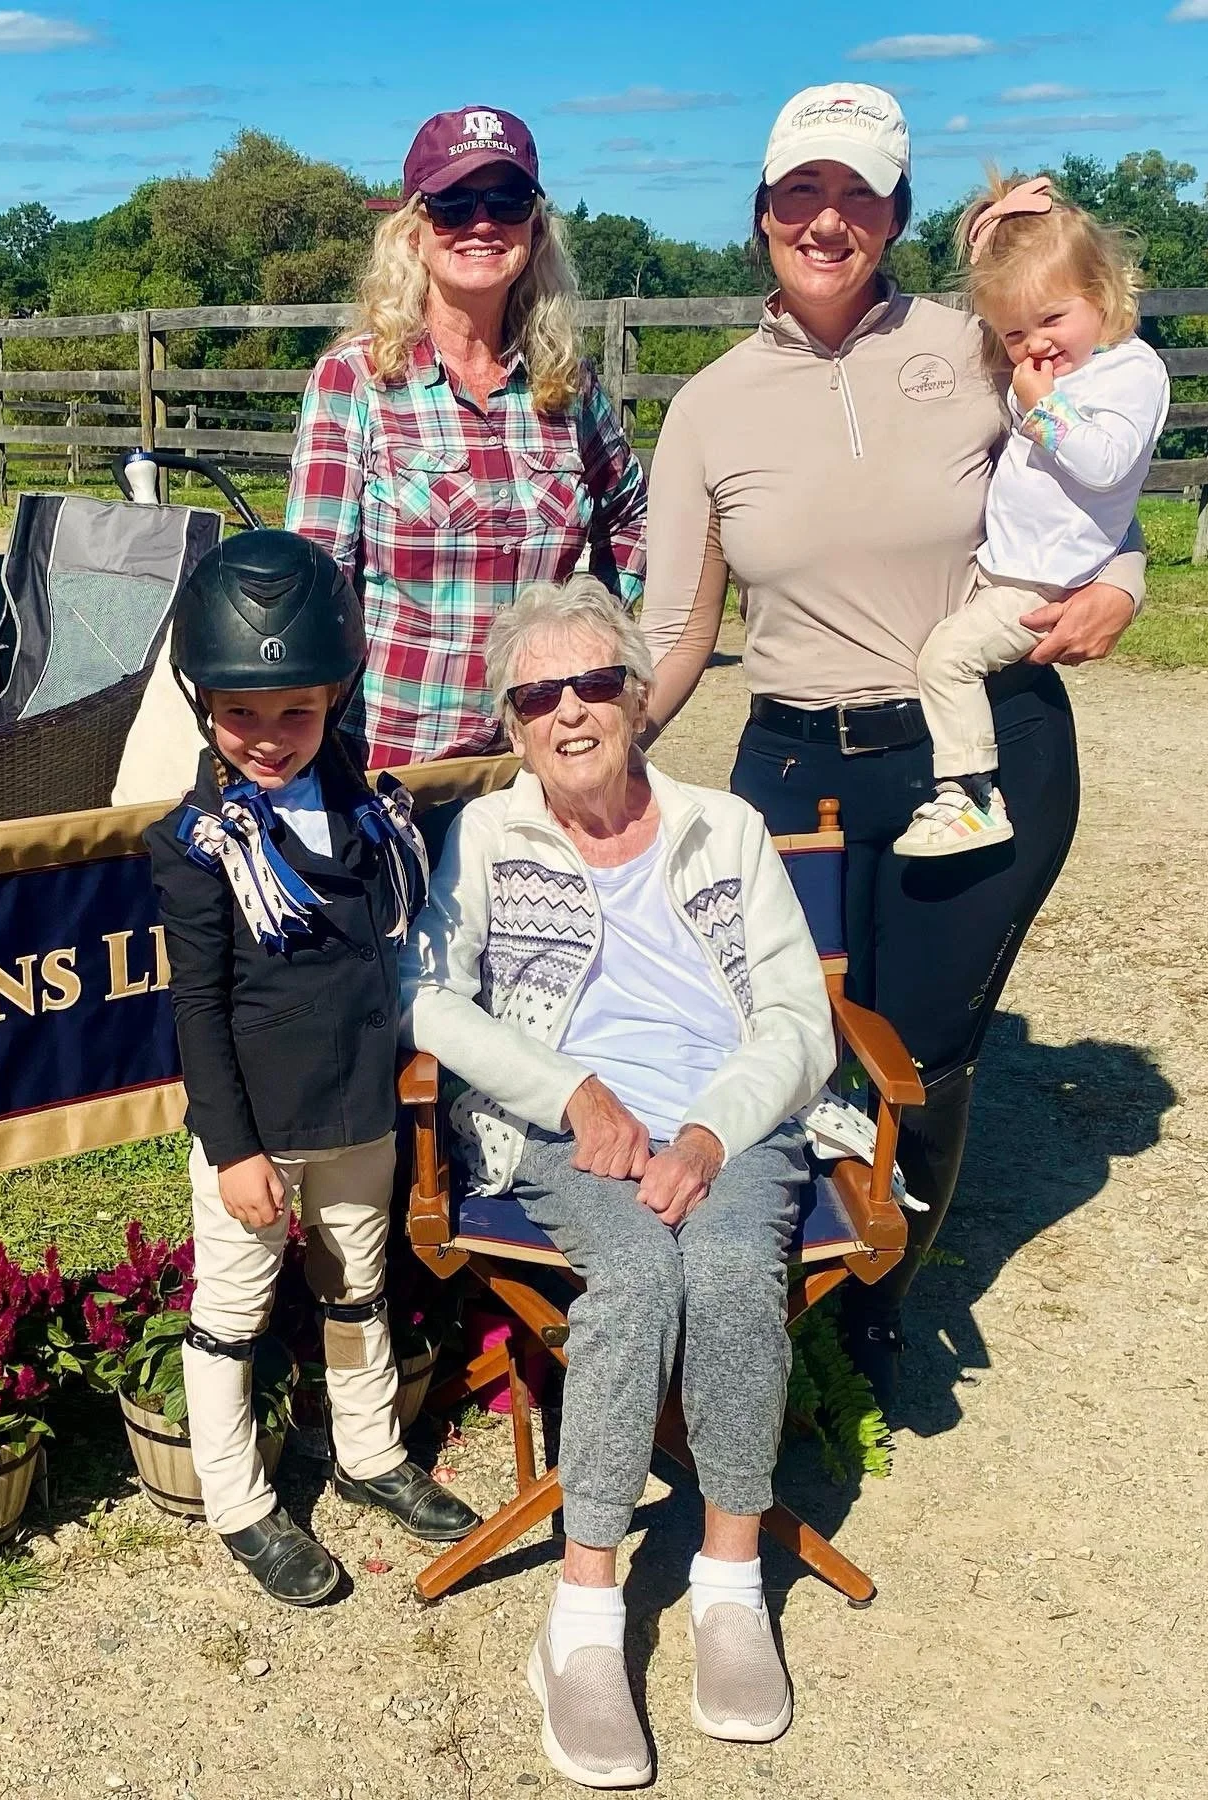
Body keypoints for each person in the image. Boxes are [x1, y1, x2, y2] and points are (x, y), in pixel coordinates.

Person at [639, 83, 1147, 1411]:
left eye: (857, 194)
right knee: (788, 1039)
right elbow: (680, 628)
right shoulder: (707, 408)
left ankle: (887, 1295)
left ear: (897, 216)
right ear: (761, 216)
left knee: (923, 1044)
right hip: (796, 765)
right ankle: (777, 1279)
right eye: (801, 192)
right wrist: (594, 749)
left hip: (977, 750)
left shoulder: (979, 349)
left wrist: (1128, 581)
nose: (827, 218)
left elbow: (1089, 484)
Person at [402, 576, 839, 1788]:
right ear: (511, 722)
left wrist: (709, 1131)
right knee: (641, 1271)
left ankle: (730, 1584)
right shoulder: (489, 834)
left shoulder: (725, 828)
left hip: (730, 1120)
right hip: (566, 1132)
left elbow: (802, 1022)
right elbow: (428, 995)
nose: (570, 712)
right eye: (539, 695)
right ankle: (583, 1624)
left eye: (595, 683)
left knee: (737, 1270)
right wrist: (570, 1095)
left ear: (640, 700)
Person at [145, 529, 479, 1607]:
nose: (269, 737)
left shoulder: (370, 806)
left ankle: (369, 1449)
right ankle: (240, 1500)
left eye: (295, 710)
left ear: (337, 692)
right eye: (241, 711)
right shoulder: (199, 842)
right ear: (203, 701)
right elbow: (198, 1009)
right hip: (258, 1126)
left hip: (359, 1106)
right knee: (231, 1312)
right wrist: (234, 1149)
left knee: (358, 1286)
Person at [284, 105, 647, 770]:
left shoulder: (566, 383)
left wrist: (596, 635)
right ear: (413, 232)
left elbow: (630, 512)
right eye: (453, 204)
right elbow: (316, 589)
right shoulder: (356, 381)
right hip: (396, 767)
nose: (482, 223)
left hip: (539, 765)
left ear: (534, 229)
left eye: (506, 201)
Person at [893, 173, 1170, 857]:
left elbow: (1107, 466)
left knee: (947, 662)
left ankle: (971, 795)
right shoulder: (1064, 374)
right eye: (1013, 333)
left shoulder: (1129, 375)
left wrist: (1043, 406)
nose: (1035, 345)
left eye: (1052, 320)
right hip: (1012, 565)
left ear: (1102, 297)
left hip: (1041, 581)